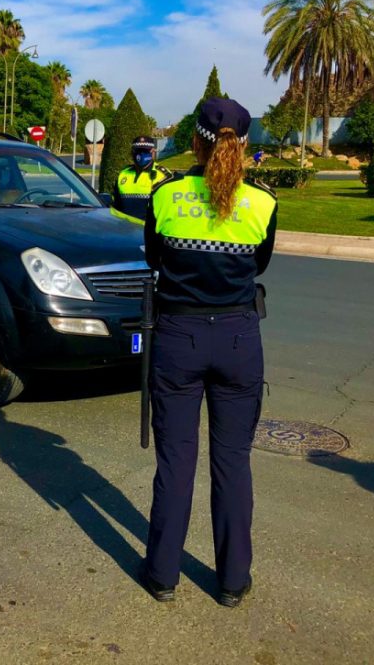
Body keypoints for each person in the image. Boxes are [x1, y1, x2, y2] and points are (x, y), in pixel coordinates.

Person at [140, 98, 277, 608]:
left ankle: (162, 575)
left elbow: (153, 255)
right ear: (242, 145)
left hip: (178, 336)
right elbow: (259, 265)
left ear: (195, 140)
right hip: (239, 339)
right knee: (233, 462)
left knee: (175, 461)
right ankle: (232, 580)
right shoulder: (262, 203)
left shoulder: (167, 195)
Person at [111, 136, 171, 224]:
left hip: (149, 234)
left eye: (145, 151)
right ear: (132, 152)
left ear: (153, 152)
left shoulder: (163, 175)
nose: (141, 154)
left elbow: (168, 210)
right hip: (124, 232)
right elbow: (115, 207)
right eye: (138, 150)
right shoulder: (123, 174)